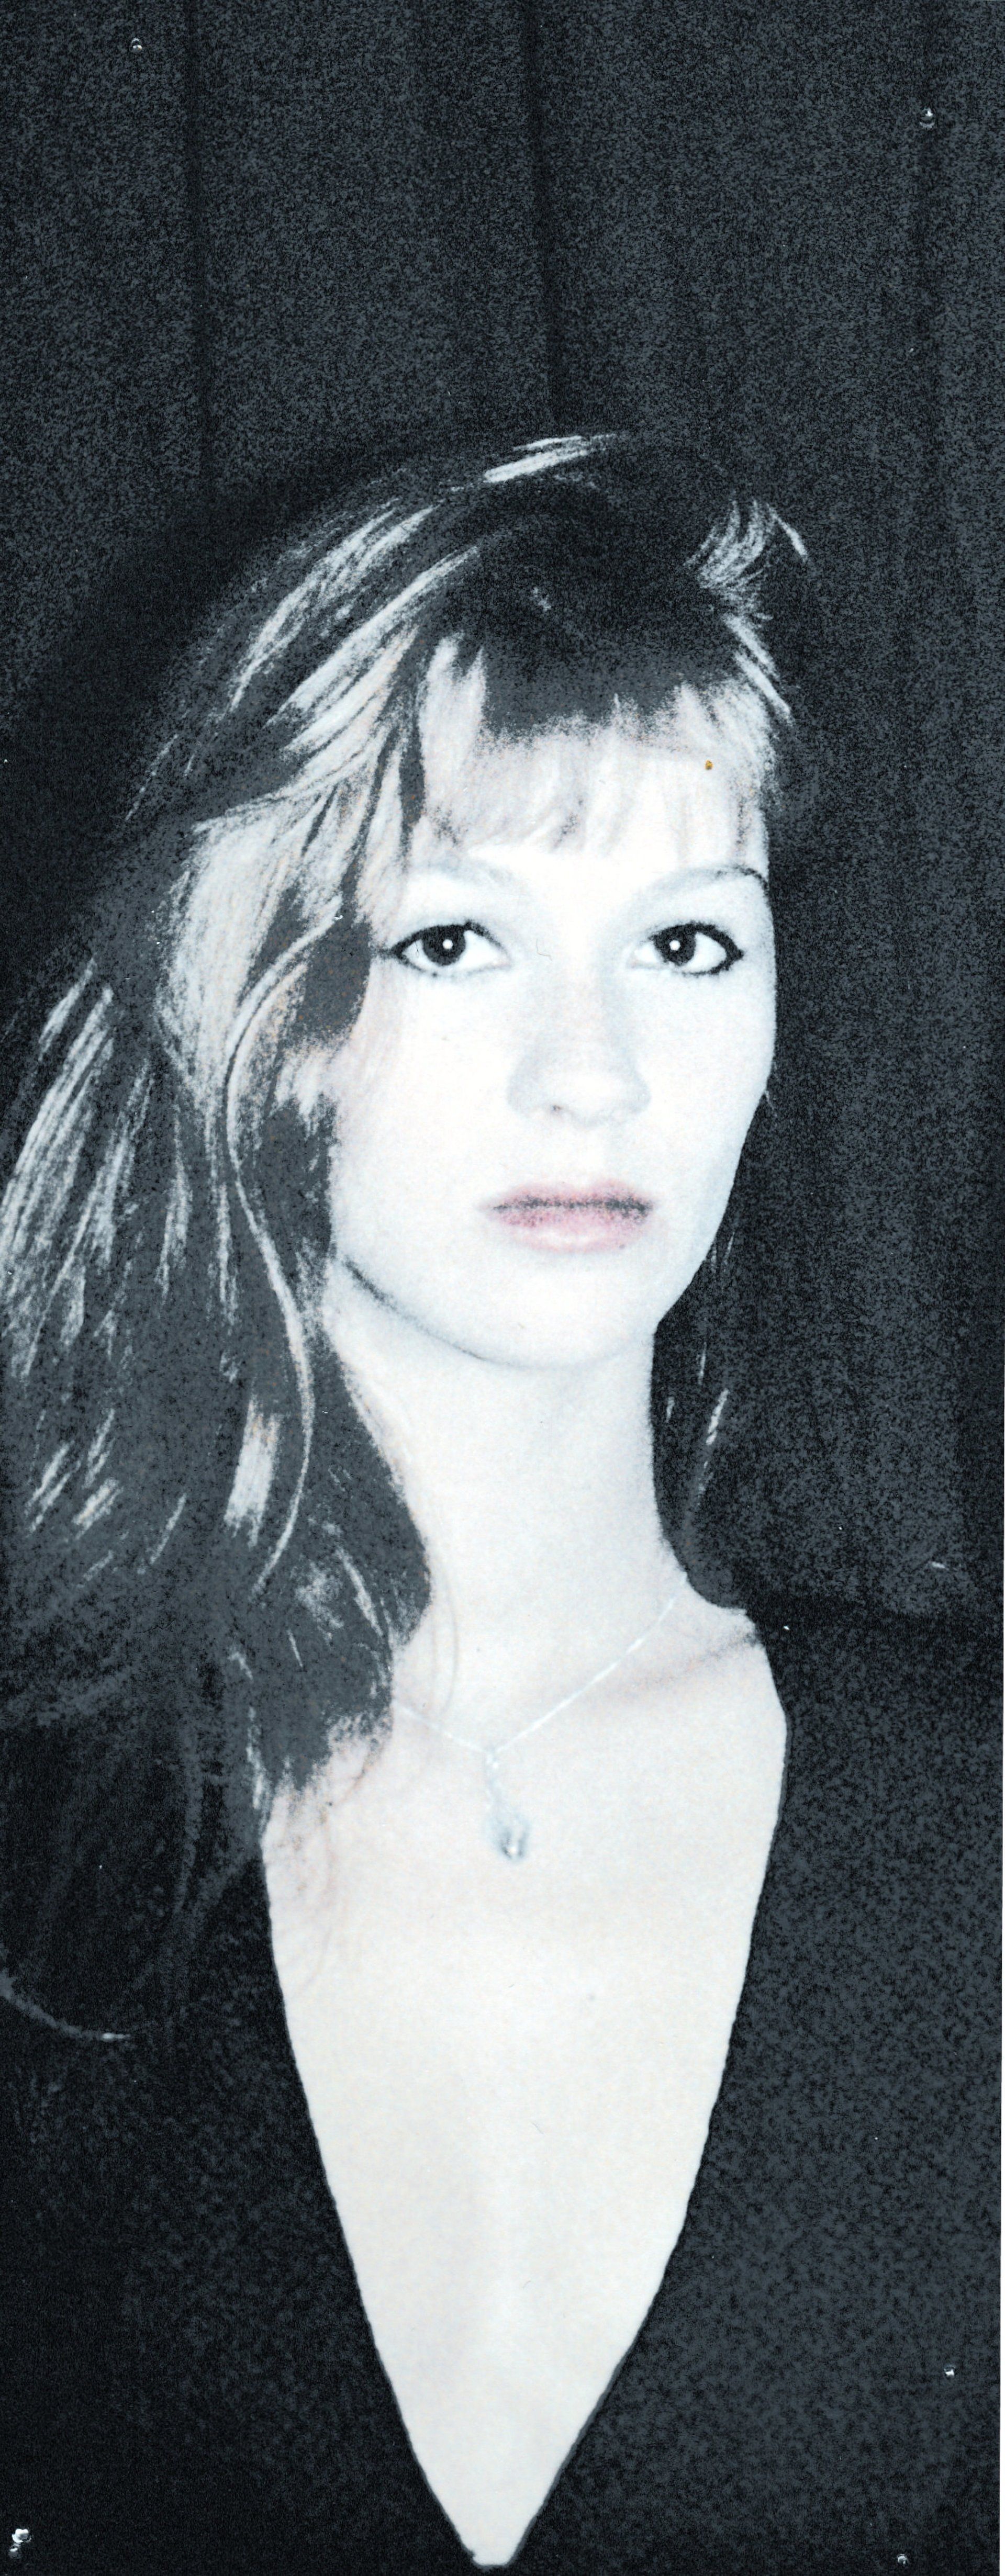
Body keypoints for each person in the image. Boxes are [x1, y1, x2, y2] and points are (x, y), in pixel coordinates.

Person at [0, 435, 996, 2575]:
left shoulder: (972, 1826)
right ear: (249, 987)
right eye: (454, 937)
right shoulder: (46, 1836)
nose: (595, 1066)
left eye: (690, 942)